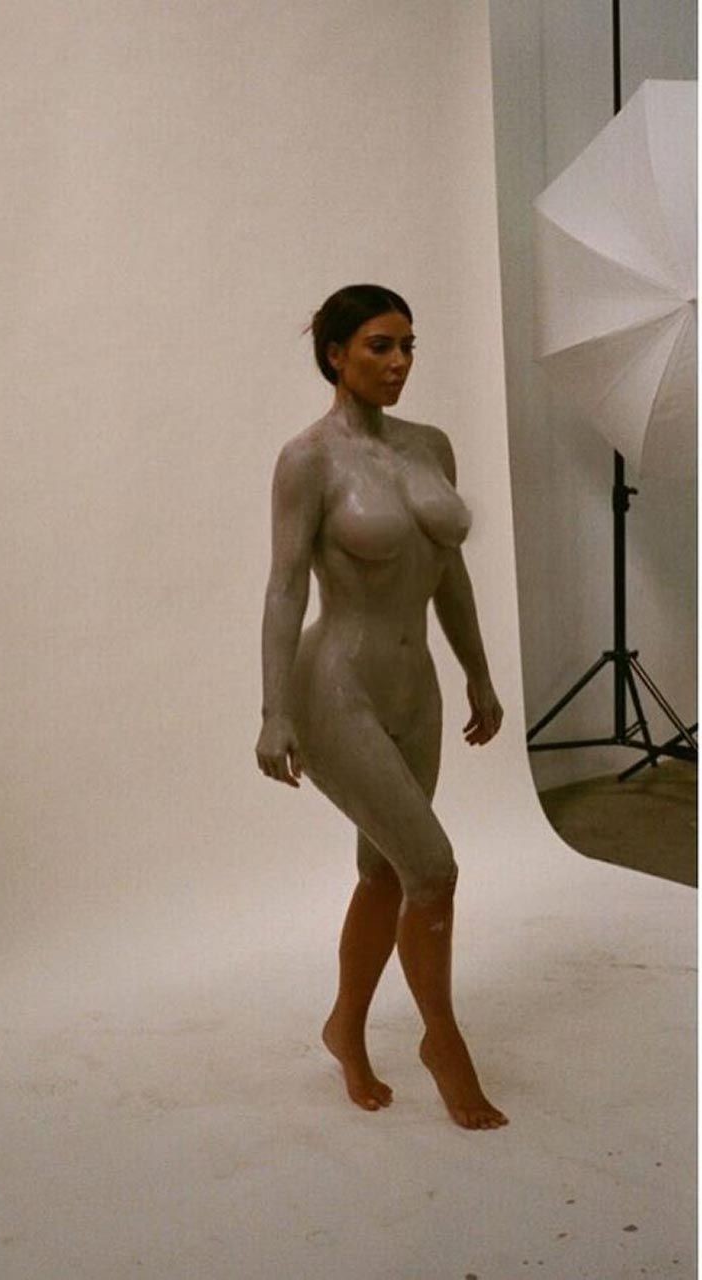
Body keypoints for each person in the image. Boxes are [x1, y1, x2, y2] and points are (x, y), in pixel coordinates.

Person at [255, 284, 508, 1130]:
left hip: (415, 687)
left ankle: (344, 1029)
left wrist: (477, 672)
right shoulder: (307, 459)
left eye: (407, 346)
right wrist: (273, 711)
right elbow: (285, 586)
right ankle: (444, 1043)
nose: (398, 363)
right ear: (335, 355)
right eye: (378, 346)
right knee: (432, 869)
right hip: (336, 686)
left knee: (385, 871)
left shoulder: (429, 446)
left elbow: (449, 573)